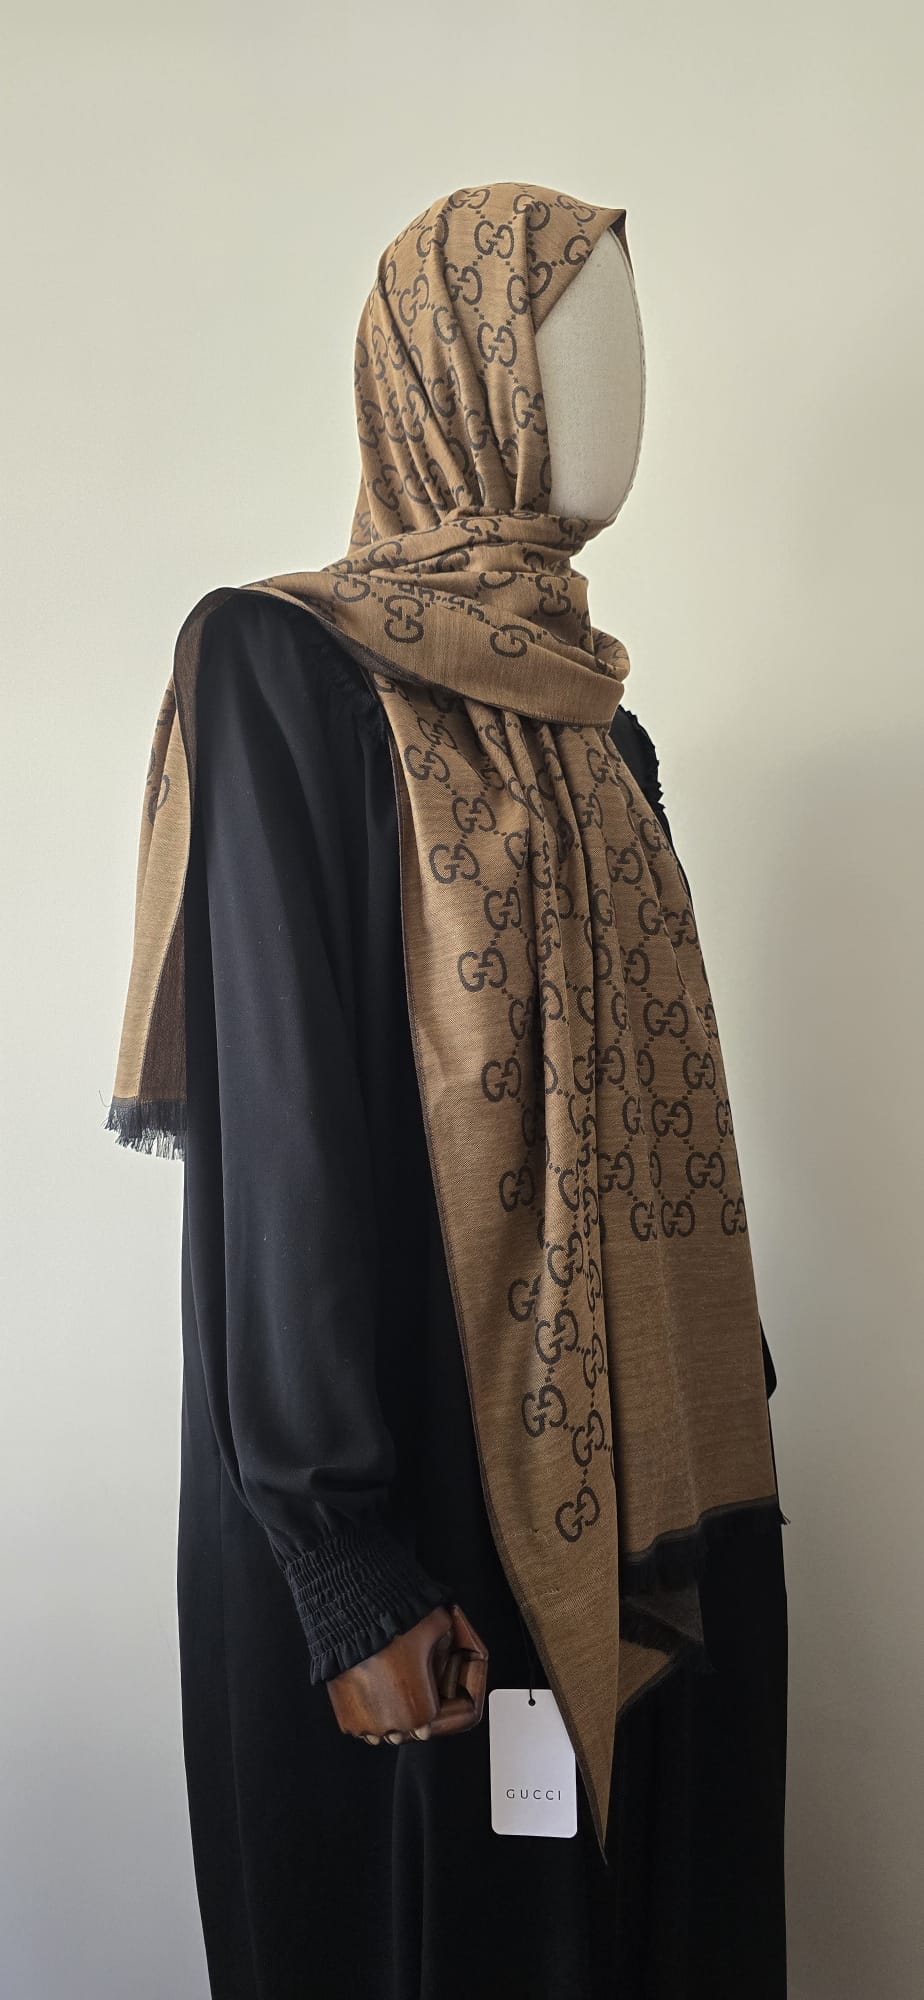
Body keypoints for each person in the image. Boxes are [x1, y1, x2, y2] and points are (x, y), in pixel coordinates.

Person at [107, 183, 789, 1998]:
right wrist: (345, 1557)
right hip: (409, 1459)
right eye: (574, 344)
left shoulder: (600, 726)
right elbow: (280, 1140)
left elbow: (658, 1111)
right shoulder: (278, 665)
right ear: (450, 375)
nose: (621, 401)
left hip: (656, 1460)